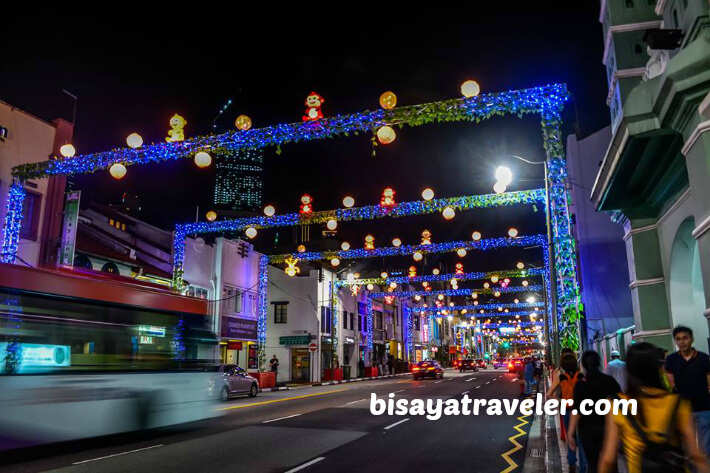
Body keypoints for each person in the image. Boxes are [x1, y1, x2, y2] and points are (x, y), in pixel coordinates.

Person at [599, 342, 709, 473]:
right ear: (657, 369)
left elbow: (608, 458)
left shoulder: (617, 404)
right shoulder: (679, 403)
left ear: (629, 371)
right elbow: (695, 456)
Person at [567, 350, 621, 473]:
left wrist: (570, 433)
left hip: (587, 430)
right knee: (612, 463)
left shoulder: (581, 385)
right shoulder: (610, 381)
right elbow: (620, 404)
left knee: (592, 463)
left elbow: (576, 411)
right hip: (609, 427)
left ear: (584, 366)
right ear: (599, 363)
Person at [664, 325, 710, 455]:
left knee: (705, 447)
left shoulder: (703, 358)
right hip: (682, 407)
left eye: (685, 338)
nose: (682, 342)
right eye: (678, 339)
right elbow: (671, 383)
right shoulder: (671, 360)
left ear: (692, 339)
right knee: (686, 446)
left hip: (703, 405)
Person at [547, 354, 586, 473]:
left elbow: (549, 394)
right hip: (581, 410)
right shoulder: (581, 376)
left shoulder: (561, 377)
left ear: (563, 365)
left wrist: (561, 401)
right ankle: (583, 467)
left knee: (570, 437)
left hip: (567, 410)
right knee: (581, 439)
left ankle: (572, 462)